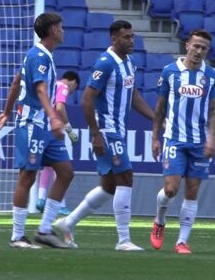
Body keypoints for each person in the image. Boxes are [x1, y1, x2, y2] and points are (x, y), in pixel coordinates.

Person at [54, 20, 155, 251]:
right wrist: (95, 134)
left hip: (117, 129)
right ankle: (123, 240)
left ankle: (67, 223)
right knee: (126, 178)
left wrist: (155, 118)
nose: (131, 41)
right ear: (114, 39)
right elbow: (88, 98)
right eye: (126, 37)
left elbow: (133, 95)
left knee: (109, 185)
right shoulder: (105, 63)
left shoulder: (129, 63)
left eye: (132, 36)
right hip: (107, 130)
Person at [0, 12, 74, 249]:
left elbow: (17, 82)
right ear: (53, 31)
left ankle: (45, 230)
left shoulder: (40, 55)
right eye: (61, 27)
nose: (63, 30)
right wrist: (53, 117)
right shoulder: (39, 56)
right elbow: (39, 90)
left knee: (66, 172)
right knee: (27, 176)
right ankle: (17, 236)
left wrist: (6, 112)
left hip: (45, 126)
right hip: (33, 125)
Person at [150, 29, 215, 254]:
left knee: (192, 190)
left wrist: (212, 139)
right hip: (174, 139)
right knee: (171, 189)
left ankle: (182, 241)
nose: (199, 51)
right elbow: (160, 107)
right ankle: (160, 220)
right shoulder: (170, 72)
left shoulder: (211, 76)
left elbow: (214, 110)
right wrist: (154, 138)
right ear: (187, 45)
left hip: (199, 142)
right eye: (196, 46)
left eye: (204, 48)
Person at [36, 70, 80, 216]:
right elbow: (60, 108)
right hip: (54, 128)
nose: (71, 91)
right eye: (75, 89)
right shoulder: (64, 86)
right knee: (61, 167)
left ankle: (41, 199)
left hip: (42, 127)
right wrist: (69, 129)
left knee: (48, 165)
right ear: (73, 82)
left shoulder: (53, 85)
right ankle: (60, 205)